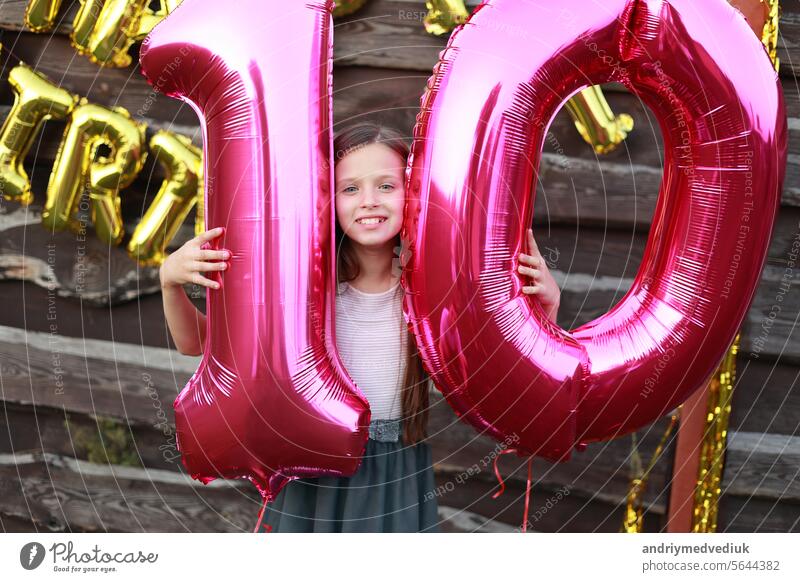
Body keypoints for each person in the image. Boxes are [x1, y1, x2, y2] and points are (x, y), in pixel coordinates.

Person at [158, 121, 560, 532]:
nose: (369, 201)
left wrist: (545, 311)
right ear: (327, 200)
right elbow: (197, 344)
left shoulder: (432, 292)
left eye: (386, 186)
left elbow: (502, 376)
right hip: (313, 471)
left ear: (412, 195)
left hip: (395, 470)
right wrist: (169, 281)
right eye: (350, 189)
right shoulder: (306, 290)